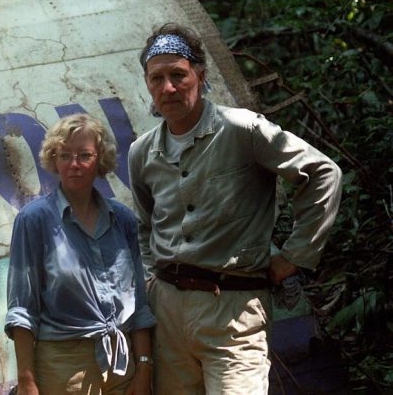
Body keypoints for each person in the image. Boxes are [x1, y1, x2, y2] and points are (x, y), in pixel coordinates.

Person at [128, 23, 342, 394]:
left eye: (178, 75)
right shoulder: (142, 152)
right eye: (156, 78)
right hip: (168, 312)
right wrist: (151, 282)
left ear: (200, 74)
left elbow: (323, 173)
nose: (168, 88)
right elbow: (146, 226)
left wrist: (294, 255)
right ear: (147, 83)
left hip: (233, 310)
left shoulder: (241, 129)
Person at [5, 114, 156, 395]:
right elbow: (22, 310)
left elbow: (139, 303)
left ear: (100, 160)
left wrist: (144, 367)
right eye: (65, 155)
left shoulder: (122, 218)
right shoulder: (34, 220)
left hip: (122, 365)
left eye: (84, 155)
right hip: (63, 367)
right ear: (54, 159)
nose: (74, 165)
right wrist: (27, 381)